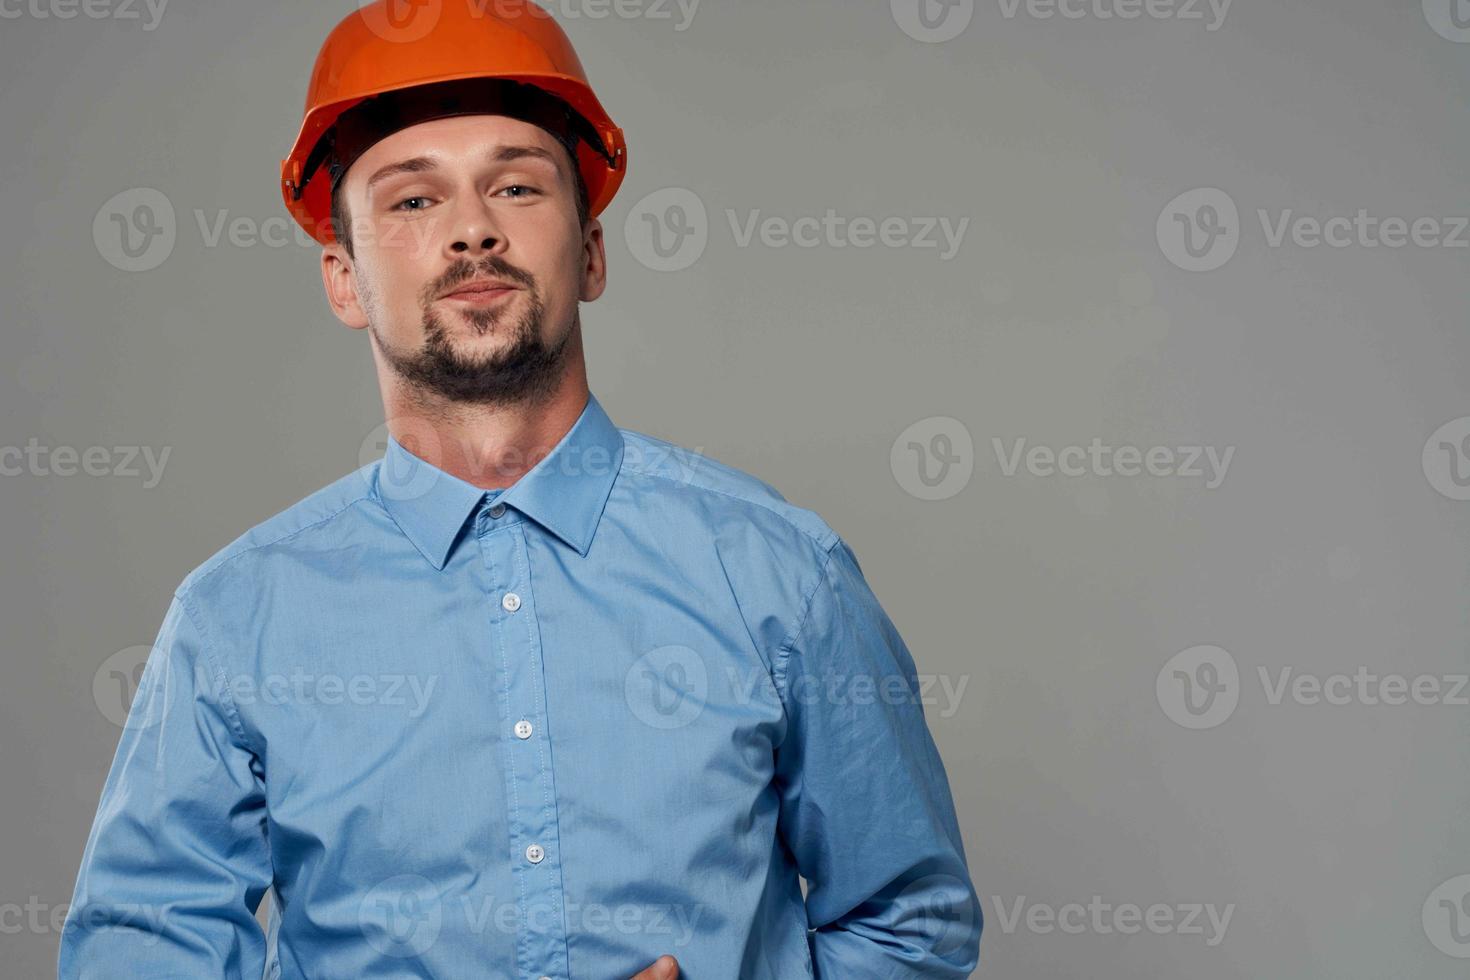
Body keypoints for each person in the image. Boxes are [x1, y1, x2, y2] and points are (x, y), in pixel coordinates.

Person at [59, 3, 981, 977]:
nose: (472, 230)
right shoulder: (236, 617)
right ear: (343, 279)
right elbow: (140, 954)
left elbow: (908, 924)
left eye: (516, 186)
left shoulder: (779, 571)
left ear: (589, 252)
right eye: (413, 201)